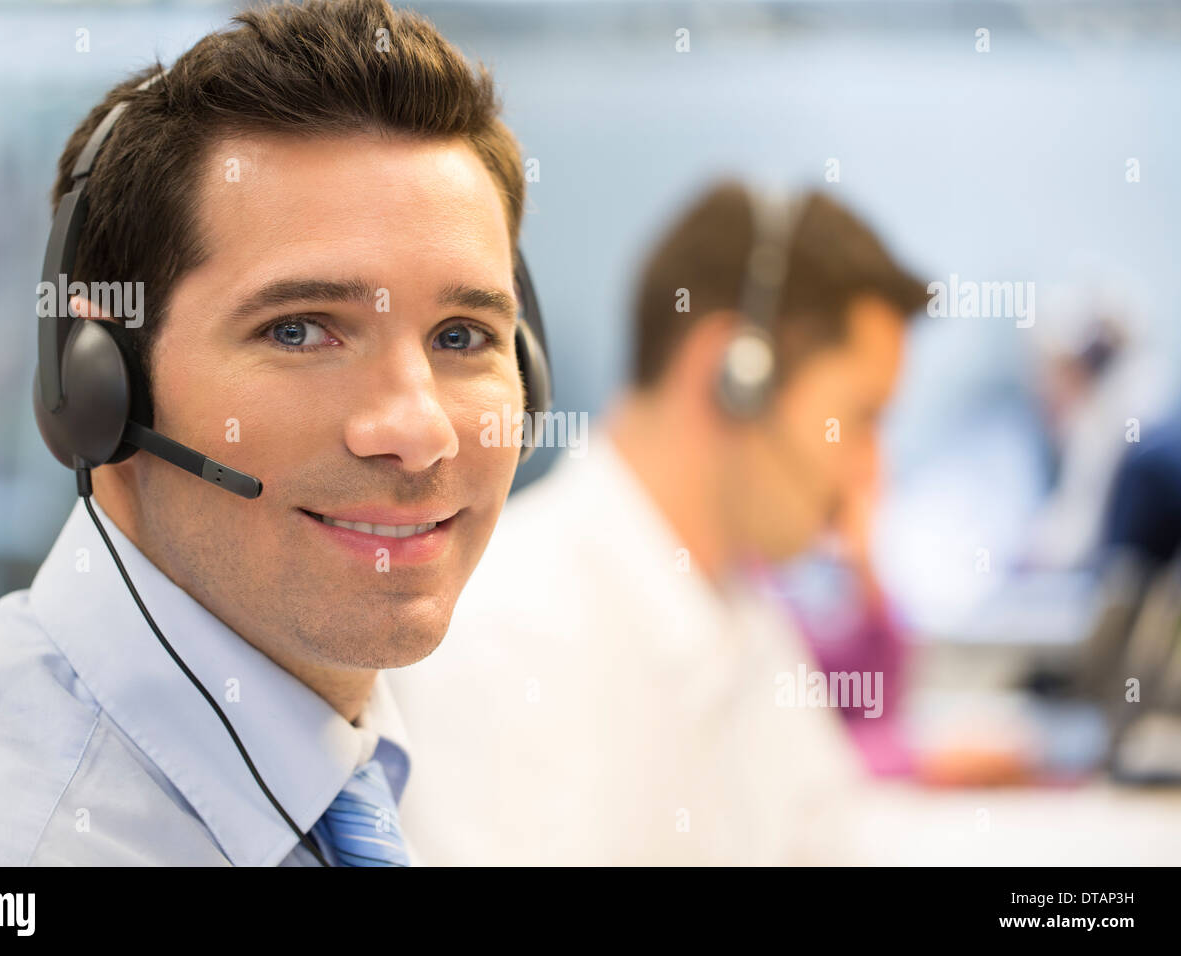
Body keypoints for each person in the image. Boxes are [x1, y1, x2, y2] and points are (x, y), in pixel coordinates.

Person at [0, 0, 541, 866]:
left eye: (461, 336)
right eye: (302, 330)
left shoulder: (386, 757)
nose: (418, 433)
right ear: (99, 386)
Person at [390, 180, 930, 864]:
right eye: (861, 419)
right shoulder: (496, 633)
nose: (870, 473)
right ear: (734, 373)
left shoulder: (749, 628)